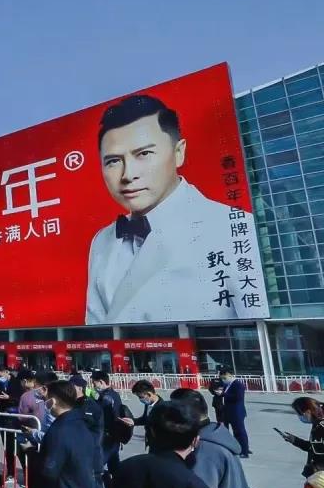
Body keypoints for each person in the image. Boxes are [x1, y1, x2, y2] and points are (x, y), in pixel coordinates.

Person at [84, 94, 264, 324]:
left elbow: (260, 329)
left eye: (144, 154)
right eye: (113, 161)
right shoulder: (102, 240)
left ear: (179, 153)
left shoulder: (232, 227)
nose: (128, 175)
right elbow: (95, 328)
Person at [90, 372, 126, 488]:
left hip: (107, 438)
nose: (93, 386)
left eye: (94, 383)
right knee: (115, 467)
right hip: (114, 437)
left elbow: (101, 412)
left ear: (101, 381)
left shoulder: (107, 397)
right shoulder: (114, 394)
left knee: (97, 468)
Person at [215, 368, 251, 458]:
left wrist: (223, 394)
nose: (223, 380)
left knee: (240, 432)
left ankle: (245, 451)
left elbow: (238, 397)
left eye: (224, 378)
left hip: (237, 412)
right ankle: (239, 448)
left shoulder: (238, 384)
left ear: (228, 374)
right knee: (236, 432)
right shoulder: (228, 384)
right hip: (229, 412)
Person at [129, 379, 163, 451]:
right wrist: (133, 421)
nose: (140, 399)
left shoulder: (162, 407)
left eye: (141, 397)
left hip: (161, 446)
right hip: (151, 443)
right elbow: (145, 419)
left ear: (149, 394)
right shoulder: (148, 404)